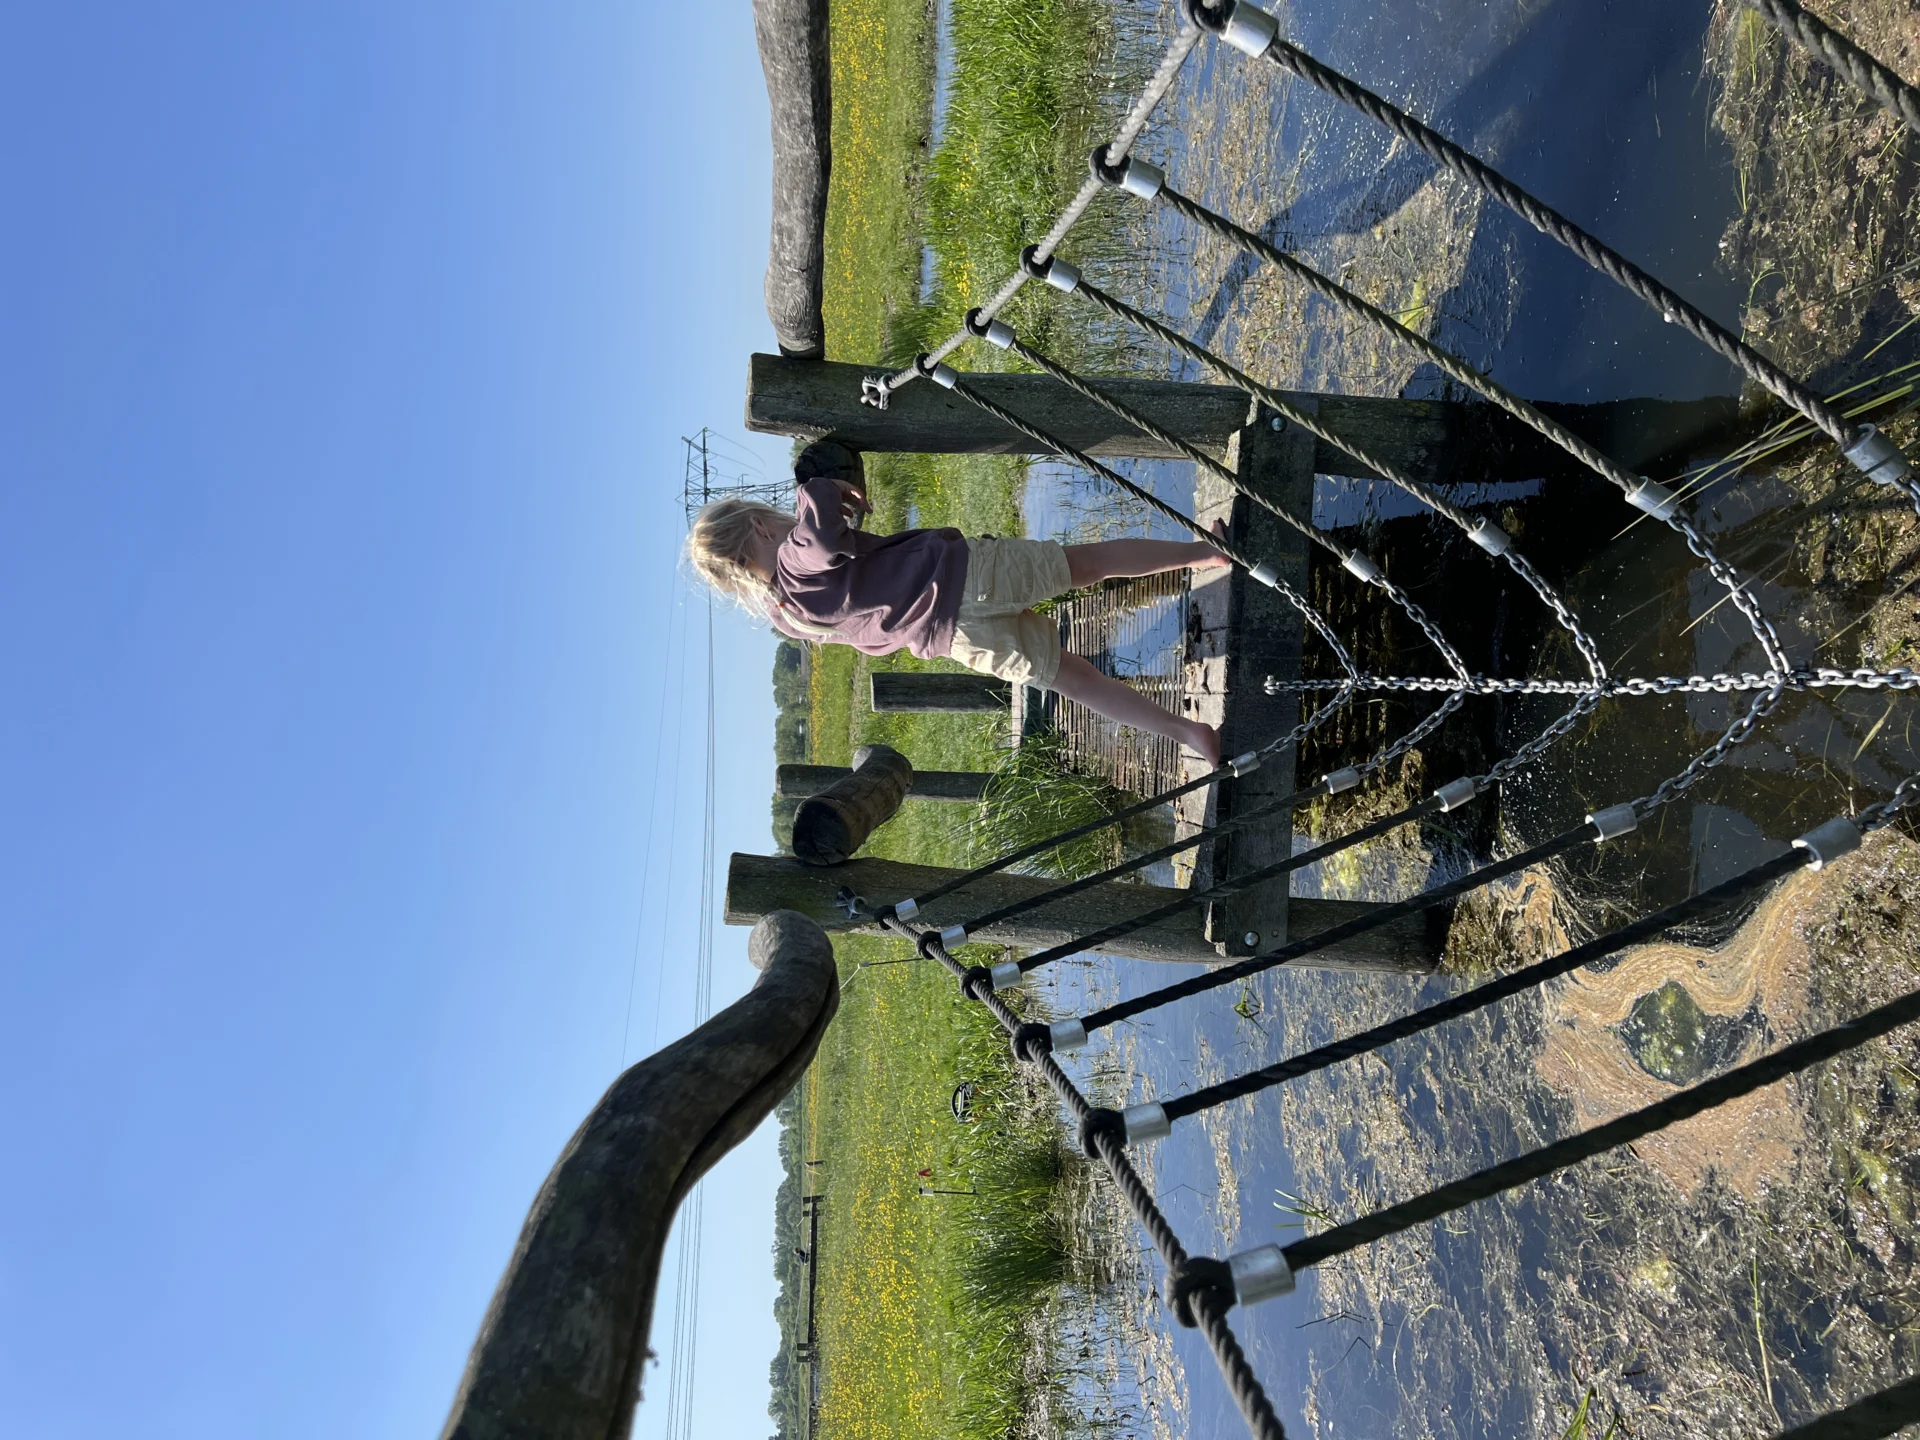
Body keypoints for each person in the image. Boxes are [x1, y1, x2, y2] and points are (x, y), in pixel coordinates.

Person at [686, 442, 1227, 766]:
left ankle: (1189, 733)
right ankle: (1208, 552)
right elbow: (820, 538)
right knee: (1090, 563)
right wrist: (817, 487)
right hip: (969, 578)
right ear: (757, 523)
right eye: (771, 516)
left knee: (1074, 679)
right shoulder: (794, 562)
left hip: (955, 640)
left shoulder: (790, 618)